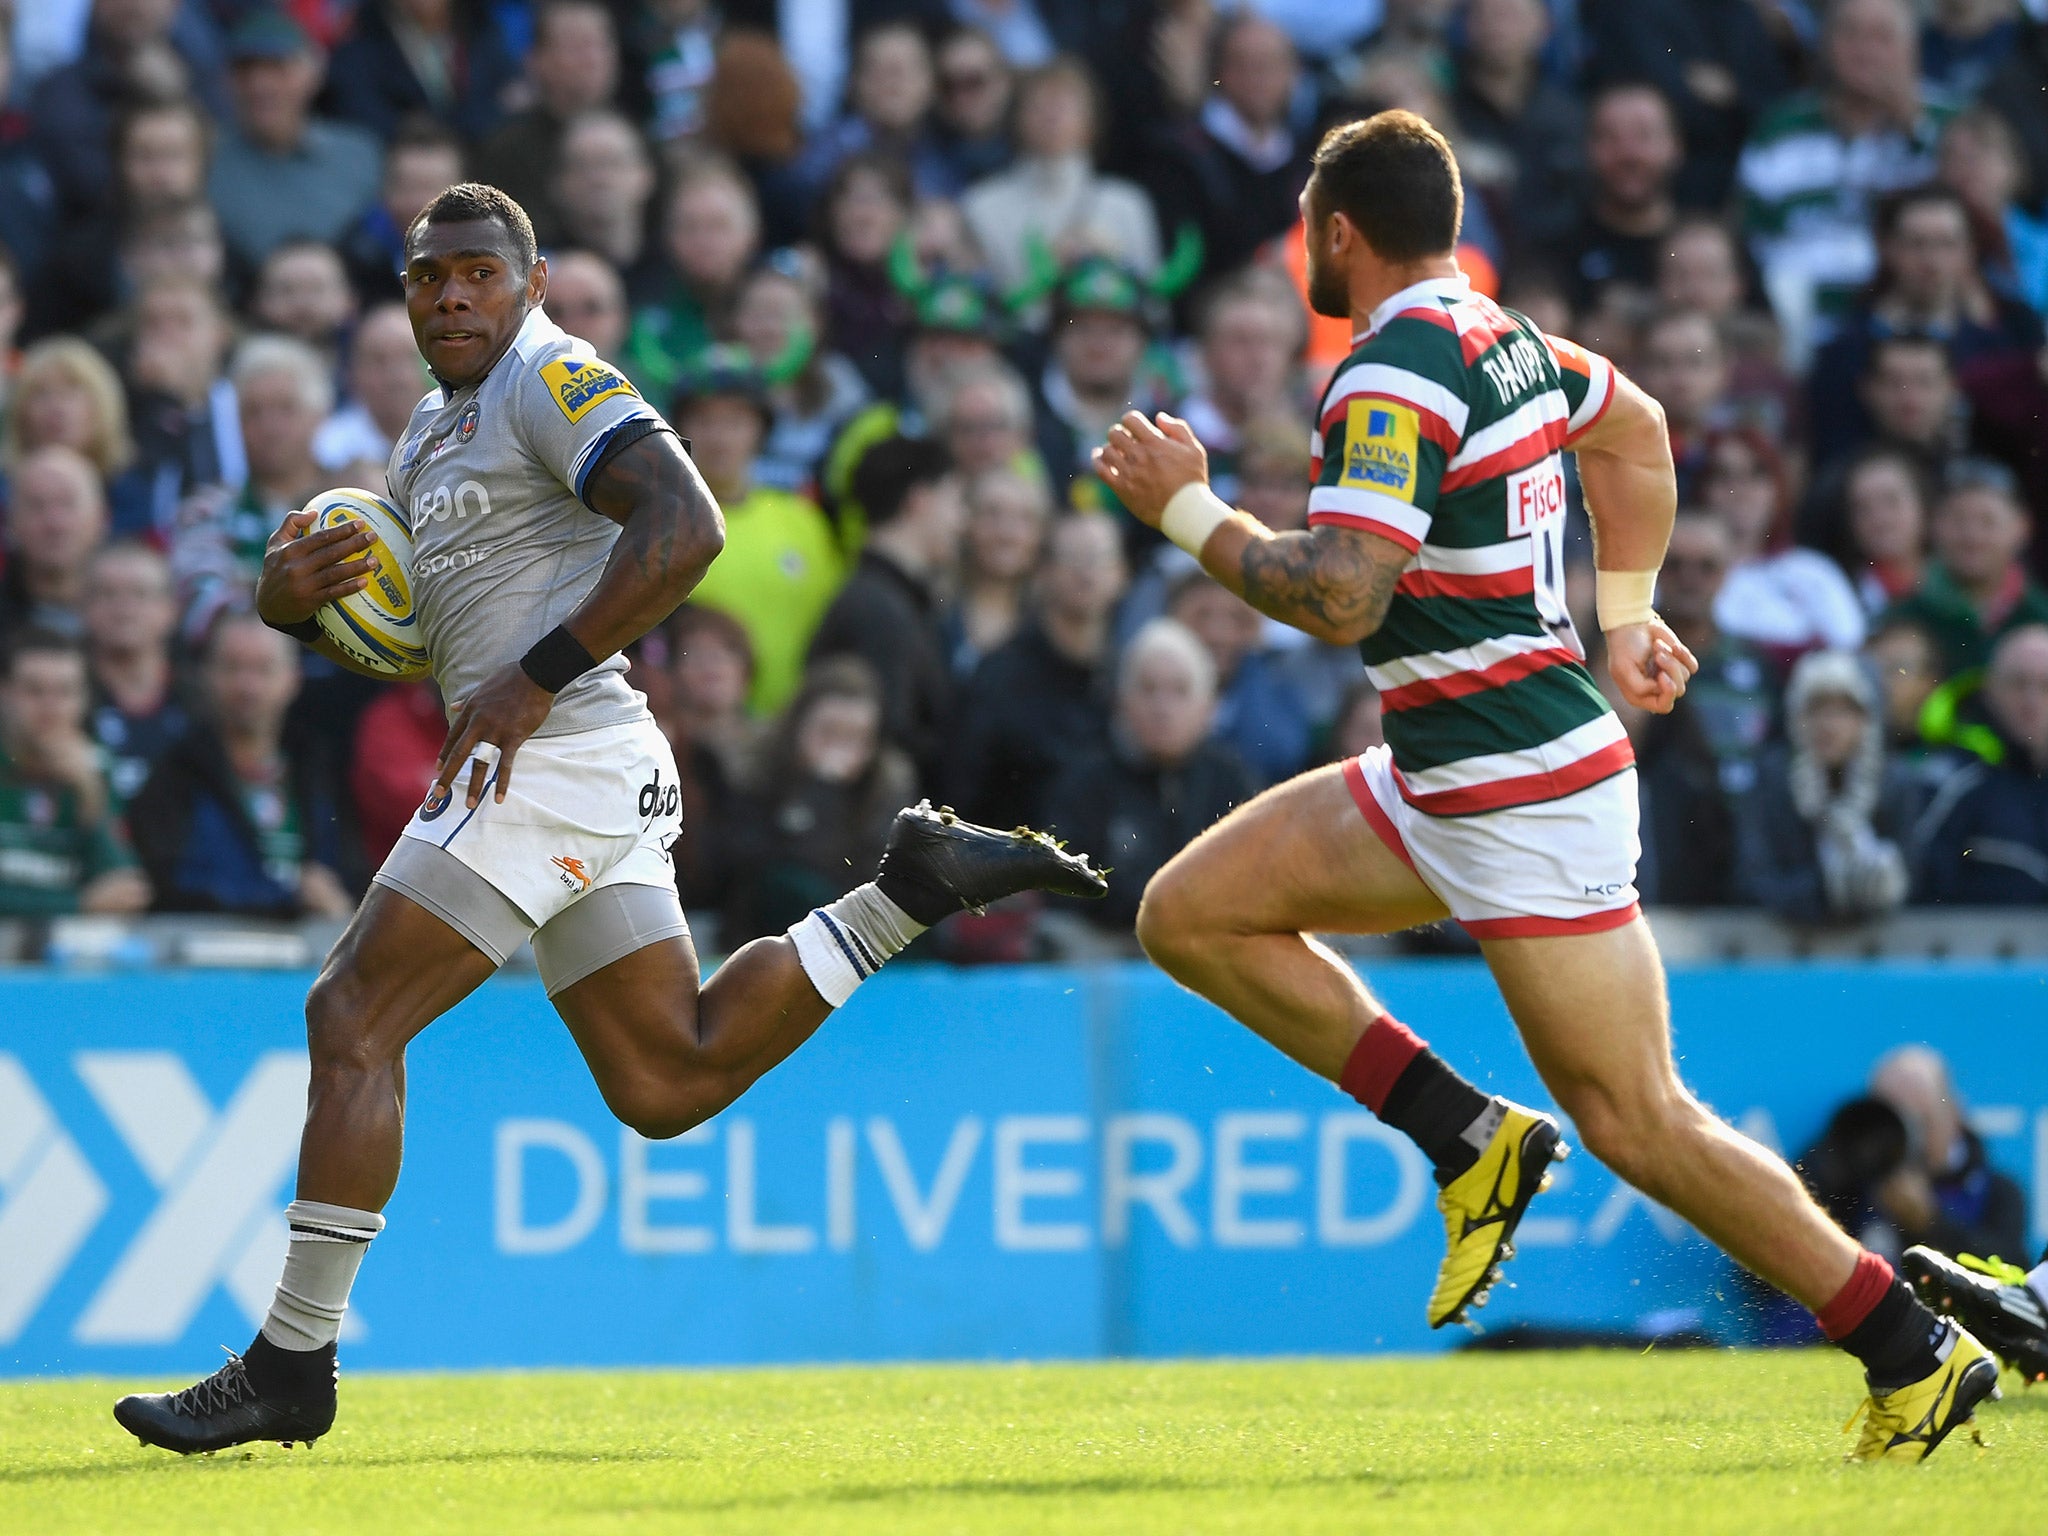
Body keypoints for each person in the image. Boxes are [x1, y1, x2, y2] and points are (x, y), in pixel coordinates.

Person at [112, 180, 1104, 1456]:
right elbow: (428, 635)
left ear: (528, 286)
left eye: (478, 271)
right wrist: (293, 604)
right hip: (584, 755)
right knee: (665, 1077)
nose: (453, 294)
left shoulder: (550, 374)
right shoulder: (428, 428)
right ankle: (904, 891)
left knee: (350, 1014)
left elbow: (685, 526)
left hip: (557, 752)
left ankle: (291, 1361)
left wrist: (531, 680)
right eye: (429, 277)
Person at [1093, 110, 1999, 1460]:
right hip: (1448, 772)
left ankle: (1908, 1349)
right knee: (1190, 914)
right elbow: (1634, 434)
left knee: (1641, 1119)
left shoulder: (1391, 368)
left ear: (1337, 233)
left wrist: (1184, 508)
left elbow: (1343, 595)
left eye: (1306, 230)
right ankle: (1467, 1138)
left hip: (1521, 793)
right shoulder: (1504, 340)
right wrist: (1625, 615)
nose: (1302, 253)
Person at [1738, 0, 1956, 358]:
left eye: (1882, 36)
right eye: (1850, 34)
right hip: (1795, 336)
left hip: (1917, 343)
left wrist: (1913, 128)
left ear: (1913, 45)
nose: (1865, 50)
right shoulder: (1780, 128)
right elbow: (1752, 237)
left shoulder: (1951, 125)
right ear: (1825, 44)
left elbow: (1976, 232)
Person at [127, 611, 351, 918]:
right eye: (232, 668)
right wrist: (288, 903)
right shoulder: (172, 773)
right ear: (205, 674)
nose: (247, 687)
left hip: (311, 958)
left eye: (263, 669)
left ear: (293, 679)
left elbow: (353, 874)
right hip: (204, 955)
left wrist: (342, 906)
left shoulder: (321, 769)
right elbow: (164, 887)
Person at [1045, 617, 1256, 930]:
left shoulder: (1232, 780)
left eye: (1179, 691)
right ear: (1121, 700)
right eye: (1148, 689)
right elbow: (1063, 888)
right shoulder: (1085, 782)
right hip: (1111, 951)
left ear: (1208, 706)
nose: (1162, 708)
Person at [671, 347, 843, 716]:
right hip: (697, 728)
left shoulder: (802, 520)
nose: (720, 439)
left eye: (735, 422)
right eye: (704, 421)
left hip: (792, 728)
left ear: (760, 432)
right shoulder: (659, 523)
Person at [721, 656, 919, 945]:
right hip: (765, 939)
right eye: (828, 733)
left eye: (855, 737)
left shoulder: (886, 785)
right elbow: (752, 866)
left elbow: (870, 873)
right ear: (798, 725)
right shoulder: (756, 772)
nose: (840, 748)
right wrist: (818, 792)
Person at [950, 512, 1128, 831]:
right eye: (1072, 558)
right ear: (1044, 572)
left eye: (1099, 558)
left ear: (1122, 574)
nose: (1085, 572)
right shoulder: (999, 677)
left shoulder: (1130, 678)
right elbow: (963, 795)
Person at [807, 436, 961, 785]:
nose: (961, 522)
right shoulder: (880, 610)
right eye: (955, 502)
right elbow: (891, 739)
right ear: (919, 501)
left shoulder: (886, 599)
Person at [1735, 650, 1919, 924]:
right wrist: (1826, 887)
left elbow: (1914, 875)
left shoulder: (1894, 783)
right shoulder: (1772, 780)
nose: (1829, 725)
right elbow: (1752, 879)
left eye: (1844, 710)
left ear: (1868, 719)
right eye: (1817, 709)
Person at [959, 55, 1162, 297]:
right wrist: (1047, 272)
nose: (1053, 115)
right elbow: (982, 309)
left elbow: (1155, 306)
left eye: (1067, 103)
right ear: (1017, 118)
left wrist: (1112, 262)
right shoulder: (981, 206)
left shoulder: (1127, 204)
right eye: (1040, 103)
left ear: (1092, 121)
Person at [205, 10, 382, 270]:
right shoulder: (207, 159)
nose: (260, 85)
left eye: (278, 68)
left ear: (314, 73)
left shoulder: (360, 155)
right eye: (244, 71)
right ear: (226, 82)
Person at [0, 629, 148, 918]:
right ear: (4, 694)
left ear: (83, 700)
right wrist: (77, 904)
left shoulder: (96, 767)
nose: (50, 707)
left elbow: (127, 892)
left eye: (65, 692)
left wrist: (90, 794)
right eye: (34, 691)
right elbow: (98, 901)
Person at [1701, 427, 1867, 661]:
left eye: (1756, 474)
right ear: (1702, 489)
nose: (1740, 489)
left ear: (1778, 488)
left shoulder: (1814, 572)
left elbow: (1851, 656)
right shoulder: (1677, 573)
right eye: (1724, 475)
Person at [1916, 623, 2048, 904]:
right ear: (1990, 689)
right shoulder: (1954, 781)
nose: (2032, 701)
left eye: (2046, 686)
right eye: (2018, 683)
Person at [472, 0, 619, 248]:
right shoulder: (506, 150)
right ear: (536, 60)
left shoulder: (637, 133)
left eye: (600, 44)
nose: (592, 59)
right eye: (576, 47)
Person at [1885, 461, 2048, 674]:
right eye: (1958, 520)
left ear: (2022, 527)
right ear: (1933, 525)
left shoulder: (2040, 615)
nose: (1972, 537)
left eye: (1988, 522)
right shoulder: (1901, 621)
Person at [1550, 83, 1684, 314]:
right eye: (1610, 137)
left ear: (1675, 146)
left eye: (1644, 136)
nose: (1629, 153)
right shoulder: (1555, 257)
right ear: (1588, 148)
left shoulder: (1711, 248)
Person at [83, 540, 190, 809]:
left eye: (140, 594)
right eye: (108, 594)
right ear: (83, 606)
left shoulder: (202, 703)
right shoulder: (57, 696)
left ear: (171, 609)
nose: (124, 610)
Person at [338, 116, 466, 305]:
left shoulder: (495, 253)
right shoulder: (357, 253)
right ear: (384, 191)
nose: (419, 203)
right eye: (407, 187)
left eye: (432, 189)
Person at [947, 467, 1051, 676]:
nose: (1006, 533)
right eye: (992, 514)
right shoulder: (936, 612)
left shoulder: (1053, 622)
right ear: (966, 524)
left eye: (1024, 519)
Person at [0, 446, 109, 644]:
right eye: (36, 506)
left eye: (68, 504)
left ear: (101, 518)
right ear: (10, 522)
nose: (54, 523)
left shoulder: (137, 625)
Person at [315, 303, 430, 472]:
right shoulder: (327, 450)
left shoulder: (460, 433)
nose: (396, 377)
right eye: (378, 360)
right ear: (352, 373)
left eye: (410, 358)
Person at [542, 248, 630, 361]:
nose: (575, 325)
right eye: (556, 312)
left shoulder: (652, 372)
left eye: (591, 309)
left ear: (620, 315)